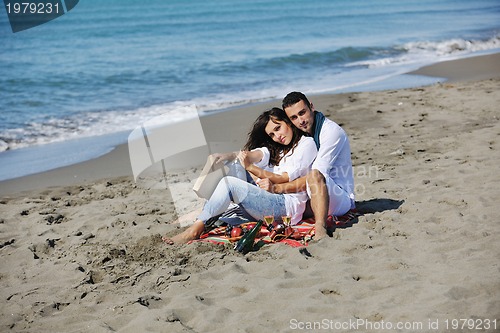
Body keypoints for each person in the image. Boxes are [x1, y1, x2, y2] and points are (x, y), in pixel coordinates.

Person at [162, 107, 317, 244]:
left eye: (278, 128)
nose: (277, 136)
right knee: (233, 165)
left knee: (230, 183)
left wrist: (250, 168)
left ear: (288, 122)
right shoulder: (280, 149)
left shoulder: (306, 144)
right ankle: (205, 213)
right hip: (269, 198)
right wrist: (227, 156)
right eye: (272, 134)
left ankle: (193, 231)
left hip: (285, 207)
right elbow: (253, 155)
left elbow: (284, 178)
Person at [259, 92, 355, 240]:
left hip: (339, 198)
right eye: (294, 118)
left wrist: (277, 188)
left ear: (311, 106)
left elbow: (316, 176)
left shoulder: (331, 132)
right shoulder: (303, 132)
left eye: (302, 113)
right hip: (312, 196)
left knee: (314, 174)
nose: (300, 121)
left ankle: (320, 229)